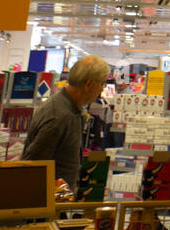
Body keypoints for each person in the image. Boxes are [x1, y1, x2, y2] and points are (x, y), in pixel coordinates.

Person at [23, 55, 110, 193]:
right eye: (102, 84)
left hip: (59, 200)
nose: (102, 90)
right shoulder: (58, 117)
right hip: (46, 204)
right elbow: (31, 167)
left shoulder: (72, 109)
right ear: (88, 84)